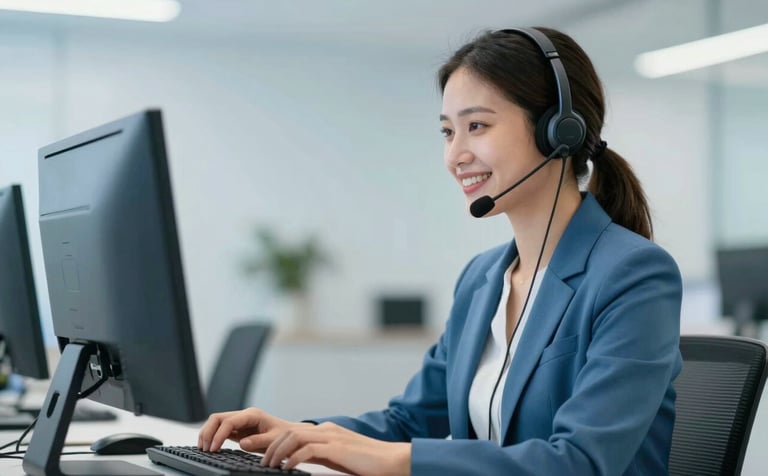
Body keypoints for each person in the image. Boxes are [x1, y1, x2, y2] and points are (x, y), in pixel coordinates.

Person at [198, 27, 682, 476]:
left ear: (558, 132)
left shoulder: (633, 274)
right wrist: (300, 434)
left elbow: (579, 461)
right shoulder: (482, 278)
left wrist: (394, 462)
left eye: (477, 127)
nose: (455, 156)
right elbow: (410, 421)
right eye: (448, 132)